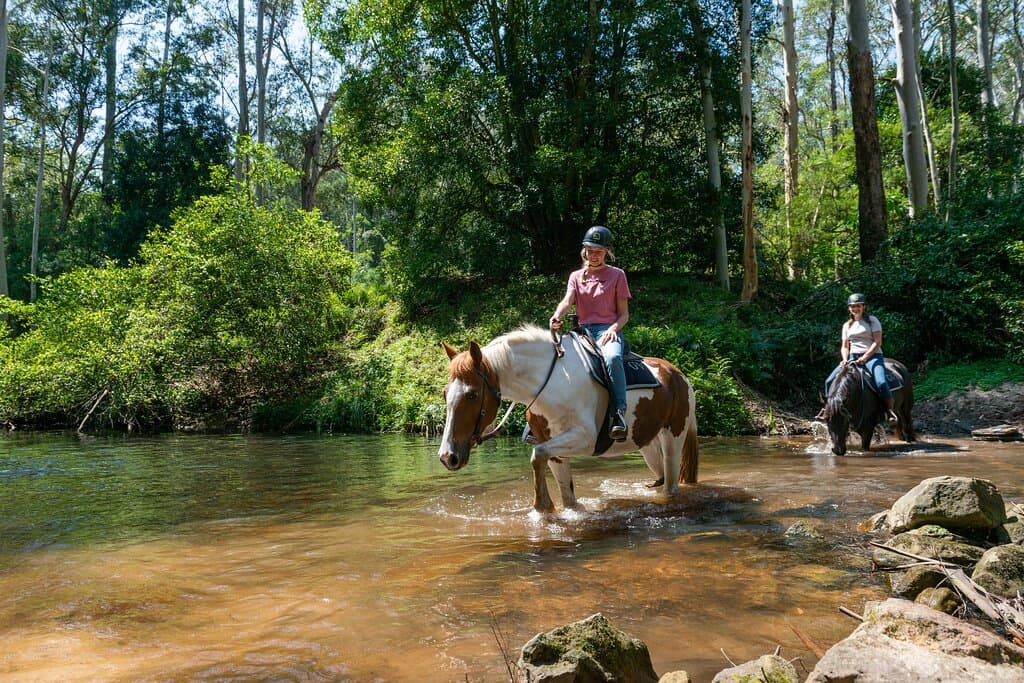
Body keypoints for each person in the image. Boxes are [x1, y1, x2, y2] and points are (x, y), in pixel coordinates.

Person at [550, 225, 632, 440]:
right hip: (582, 333)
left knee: (613, 357)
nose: (593, 255)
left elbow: (624, 315)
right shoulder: (576, 276)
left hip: (607, 331)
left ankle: (619, 413)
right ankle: (542, 419)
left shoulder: (617, 275)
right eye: (589, 250)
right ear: (584, 250)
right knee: (553, 359)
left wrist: (613, 330)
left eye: (598, 251)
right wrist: (557, 315)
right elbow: (567, 301)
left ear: (606, 252)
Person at [816, 293, 897, 422]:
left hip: (873, 356)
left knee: (881, 382)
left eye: (858, 306)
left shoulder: (872, 320)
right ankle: (828, 408)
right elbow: (845, 346)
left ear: (863, 306)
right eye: (852, 306)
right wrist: (845, 359)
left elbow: (877, 342)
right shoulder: (847, 325)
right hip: (852, 358)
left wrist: (865, 357)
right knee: (829, 381)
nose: (855, 309)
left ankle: (889, 411)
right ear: (849, 308)